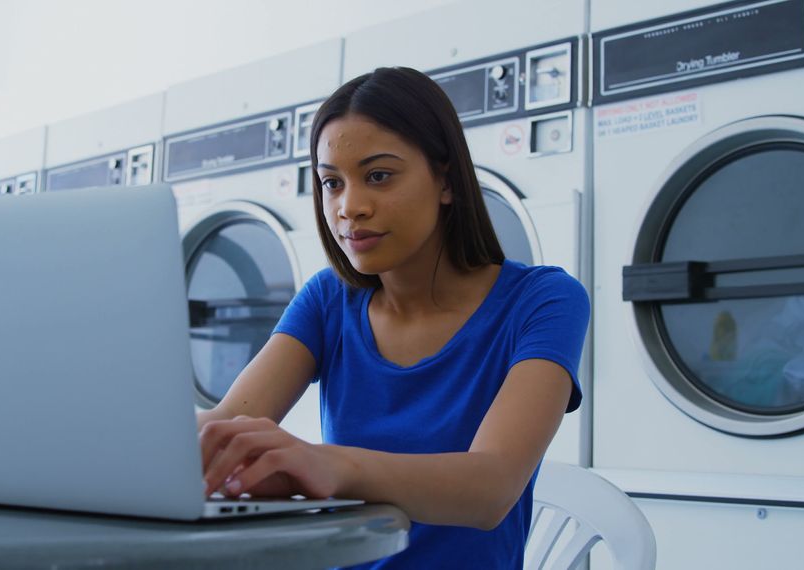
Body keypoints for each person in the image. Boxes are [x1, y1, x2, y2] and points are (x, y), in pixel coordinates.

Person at [197, 67, 589, 569]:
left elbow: (490, 488)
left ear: (445, 181)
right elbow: (224, 427)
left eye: (378, 176)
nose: (349, 207)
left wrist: (326, 464)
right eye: (331, 183)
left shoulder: (543, 301)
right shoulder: (328, 301)